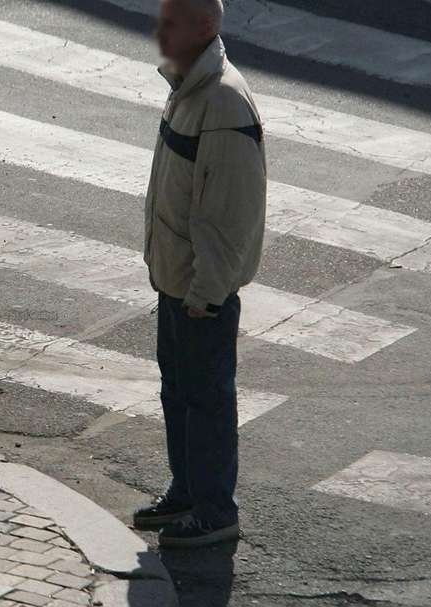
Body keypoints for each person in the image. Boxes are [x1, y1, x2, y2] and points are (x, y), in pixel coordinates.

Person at [134, 0, 266, 547]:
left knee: (206, 399)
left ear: (205, 28)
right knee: (179, 392)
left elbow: (228, 214)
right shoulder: (188, 88)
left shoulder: (224, 101)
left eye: (172, 20)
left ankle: (215, 509)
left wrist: (207, 292)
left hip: (199, 289)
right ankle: (187, 491)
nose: (160, 30)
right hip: (176, 279)